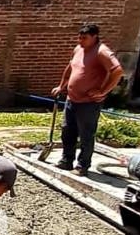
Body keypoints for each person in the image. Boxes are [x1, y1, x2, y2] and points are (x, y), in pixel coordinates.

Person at [51, 23, 124, 176]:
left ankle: (82, 165)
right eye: (79, 37)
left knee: (86, 135)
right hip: (72, 100)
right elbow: (71, 67)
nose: (80, 40)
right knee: (67, 132)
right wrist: (61, 86)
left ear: (94, 37)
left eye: (84, 38)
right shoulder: (78, 49)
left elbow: (117, 71)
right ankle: (66, 161)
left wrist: (103, 91)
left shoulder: (102, 52)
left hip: (88, 103)